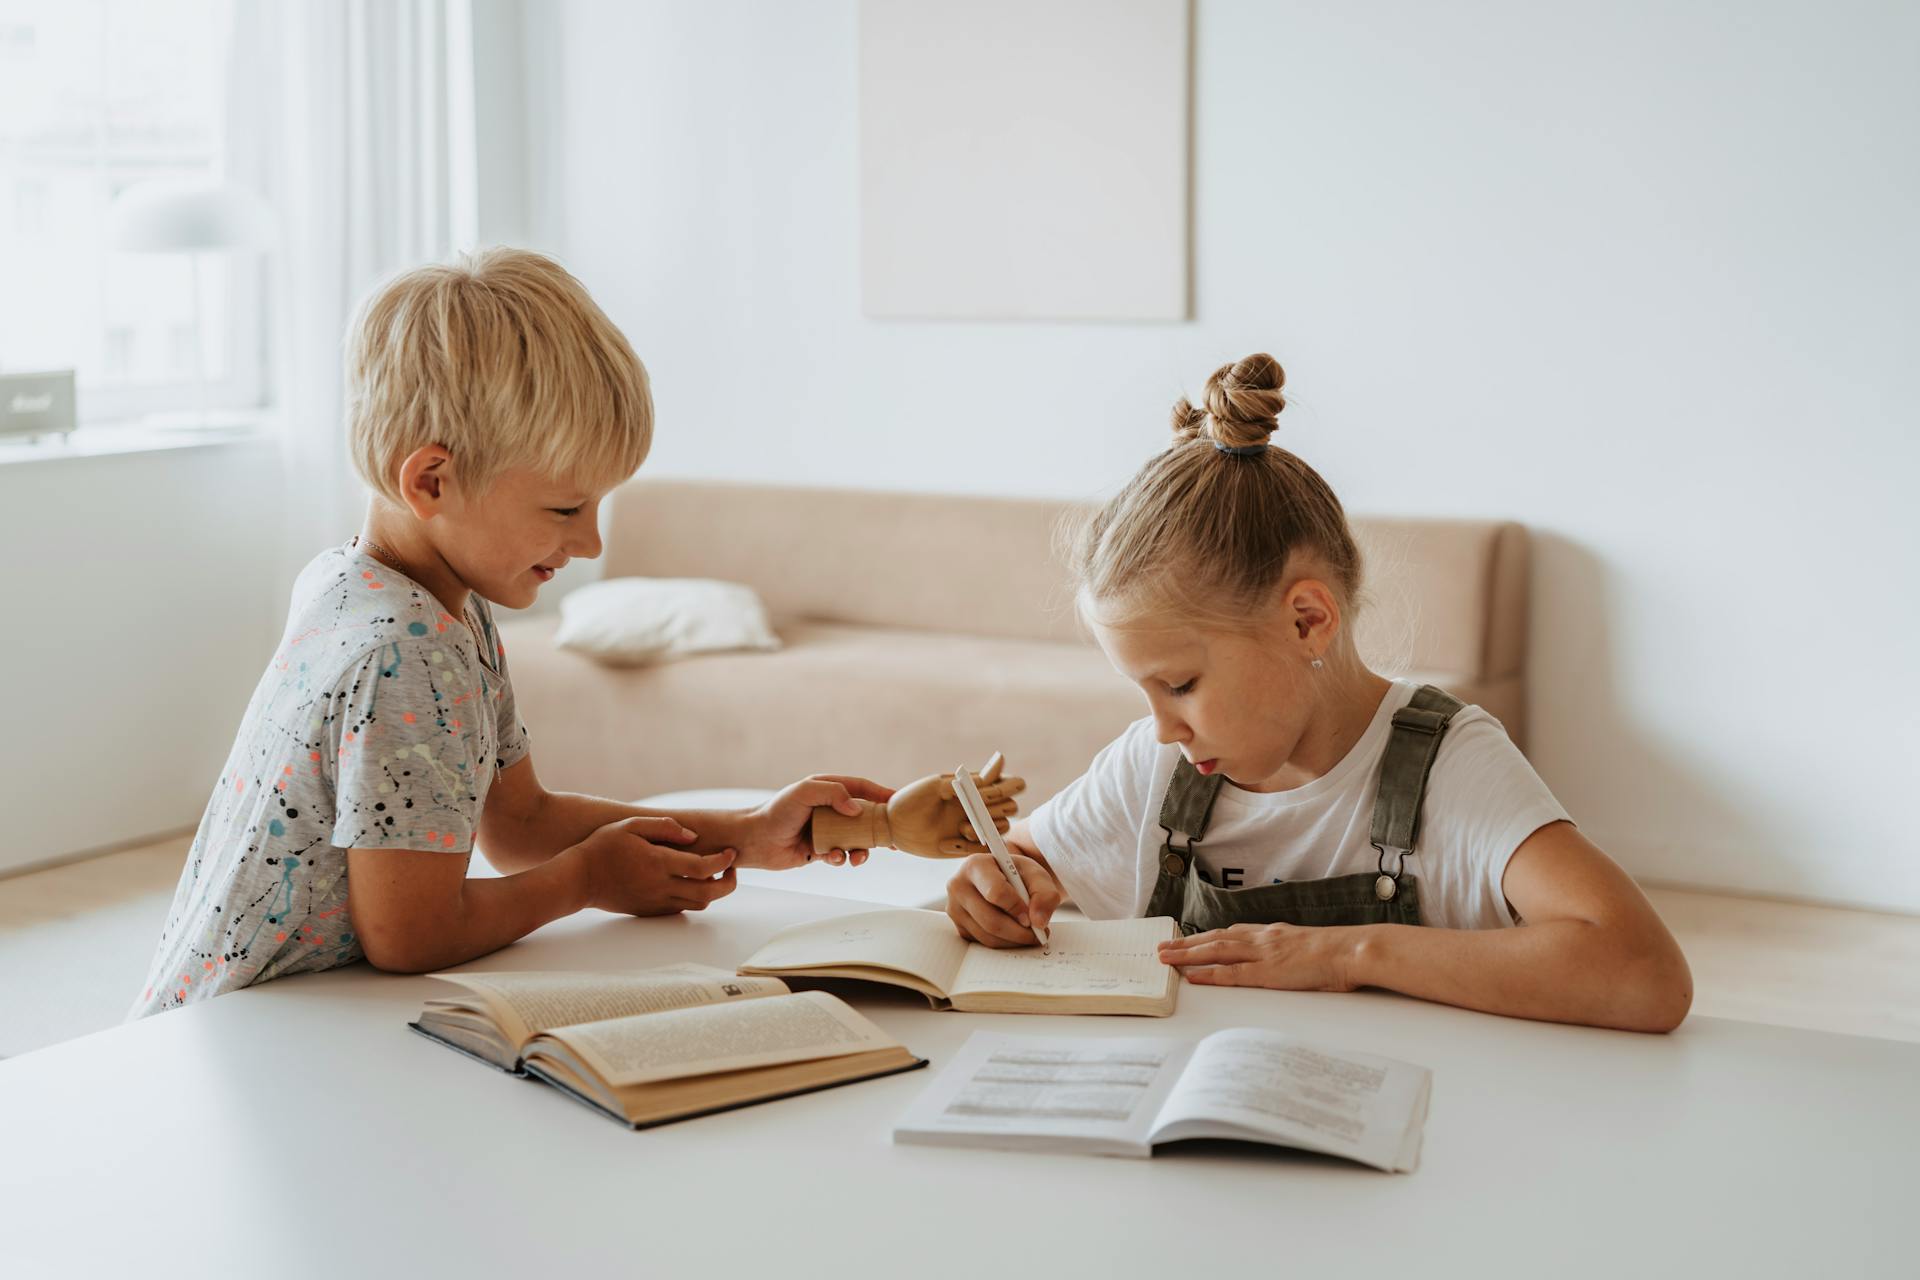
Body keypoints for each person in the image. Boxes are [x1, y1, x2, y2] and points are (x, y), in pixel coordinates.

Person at [130, 248, 888, 1017]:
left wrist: (751, 833)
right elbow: (410, 934)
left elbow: (521, 823)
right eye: (565, 510)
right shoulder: (405, 652)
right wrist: (585, 881)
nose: (591, 543)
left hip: (268, 1016)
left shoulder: (381, 587)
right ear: (432, 481)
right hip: (241, 1032)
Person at [942, 353, 1692, 1033]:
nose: (1163, 727)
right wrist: (1002, 884)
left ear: (1307, 621)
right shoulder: (1157, 767)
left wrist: (1350, 954)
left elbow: (1645, 975)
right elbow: (1027, 855)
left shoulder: (1449, 768)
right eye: (1144, 691)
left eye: (1181, 685)